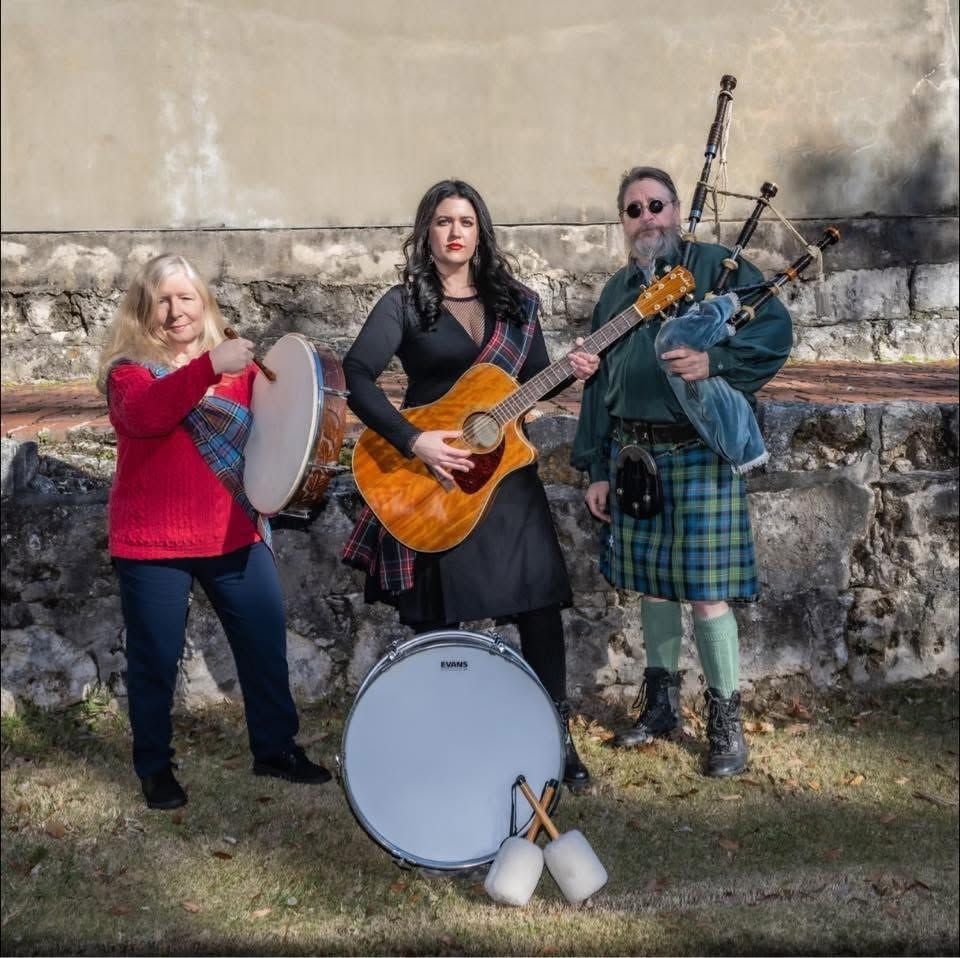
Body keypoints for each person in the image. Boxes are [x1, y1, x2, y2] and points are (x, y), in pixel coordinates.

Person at [341, 179, 600, 791]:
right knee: (441, 619)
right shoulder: (404, 304)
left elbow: (531, 383)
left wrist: (573, 371)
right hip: (436, 480)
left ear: (480, 231)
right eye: (442, 221)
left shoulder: (518, 305)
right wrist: (413, 440)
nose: (454, 232)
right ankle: (448, 739)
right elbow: (356, 374)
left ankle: (555, 738)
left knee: (539, 607)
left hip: (506, 476)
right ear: (426, 232)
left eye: (465, 221)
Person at [572, 167, 793, 777]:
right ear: (623, 222)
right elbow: (596, 387)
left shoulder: (716, 265)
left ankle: (726, 722)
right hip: (633, 455)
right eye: (634, 209)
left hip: (697, 452)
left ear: (675, 209)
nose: (647, 218)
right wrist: (596, 467)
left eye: (657, 205)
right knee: (654, 586)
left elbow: (775, 330)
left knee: (707, 593)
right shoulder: (617, 291)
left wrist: (715, 360)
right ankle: (661, 707)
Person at [97, 253, 330, 810]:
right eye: (163, 300)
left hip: (232, 532)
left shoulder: (242, 371)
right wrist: (207, 367)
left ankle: (275, 749)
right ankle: (155, 768)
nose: (176, 310)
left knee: (264, 647)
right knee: (155, 661)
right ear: (143, 309)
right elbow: (148, 415)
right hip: (152, 543)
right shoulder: (129, 373)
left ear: (204, 303)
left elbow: (283, 432)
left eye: (187, 297)